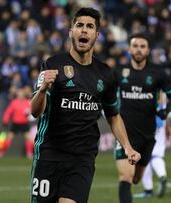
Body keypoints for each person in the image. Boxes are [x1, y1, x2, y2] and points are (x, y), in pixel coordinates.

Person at [30, 7, 141, 203]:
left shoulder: (105, 74)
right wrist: (42, 89)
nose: (84, 30)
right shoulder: (52, 65)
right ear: (71, 31)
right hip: (49, 154)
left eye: (90, 26)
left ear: (96, 35)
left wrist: (128, 147)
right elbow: (35, 111)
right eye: (79, 25)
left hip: (83, 158)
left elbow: (113, 115)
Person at [113, 33, 171, 203]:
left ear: (148, 50)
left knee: (136, 179)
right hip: (125, 134)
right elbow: (105, 93)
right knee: (126, 177)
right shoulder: (120, 72)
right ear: (129, 49)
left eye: (142, 46)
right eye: (135, 46)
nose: (139, 49)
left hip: (148, 135)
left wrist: (166, 112)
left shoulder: (157, 73)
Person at [134, 93, 171, 199]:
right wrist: (167, 127)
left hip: (147, 127)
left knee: (144, 158)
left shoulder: (147, 87)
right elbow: (164, 110)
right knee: (156, 155)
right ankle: (162, 175)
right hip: (160, 127)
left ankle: (148, 190)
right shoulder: (163, 92)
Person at [0, 87, 33, 158]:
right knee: (9, 138)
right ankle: (1, 153)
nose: (20, 95)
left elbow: (32, 111)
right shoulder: (14, 102)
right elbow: (8, 112)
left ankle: (29, 154)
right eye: (19, 93)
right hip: (16, 123)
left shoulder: (28, 102)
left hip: (24, 123)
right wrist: (5, 120)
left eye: (22, 93)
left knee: (28, 139)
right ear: (17, 95)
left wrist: (29, 112)